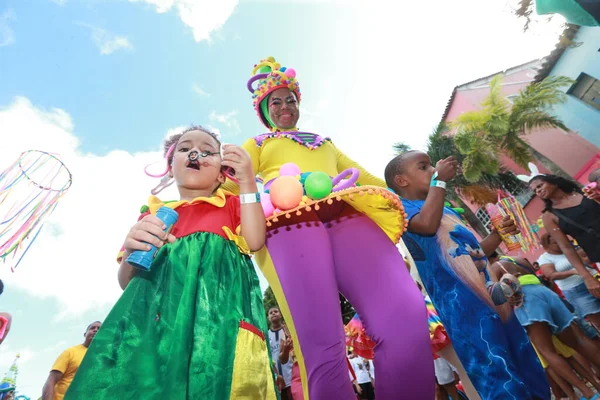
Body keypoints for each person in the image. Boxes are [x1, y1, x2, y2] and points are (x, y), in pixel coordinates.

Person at [222, 57, 433, 399]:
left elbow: (371, 181)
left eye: (290, 99)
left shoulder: (325, 143)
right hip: (288, 222)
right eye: (275, 101)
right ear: (264, 110)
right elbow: (228, 185)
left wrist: (422, 192)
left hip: (347, 215)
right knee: (321, 344)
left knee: (406, 316)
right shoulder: (258, 144)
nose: (285, 106)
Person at [64, 126, 276, 399]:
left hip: (220, 329)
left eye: (208, 150)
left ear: (222, 172)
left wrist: (247, 181)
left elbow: (256, 239)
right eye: (185, 148)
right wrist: (132, 249)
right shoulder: (152, 217)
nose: (195, 153)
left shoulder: (232, 205)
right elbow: (127, 282)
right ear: (171, 167)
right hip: (157, 330)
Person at [384, 150, 550, 399]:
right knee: (498, 376)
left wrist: (497, 234)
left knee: (527, 365)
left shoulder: (447, 211)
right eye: (424, 167)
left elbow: (473, 254)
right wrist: (439, 180)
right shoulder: (400, 211)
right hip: (466, 311)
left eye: (432, 167)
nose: (432, 170)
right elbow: (427, 227)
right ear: (402, 181)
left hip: (495, 302)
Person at [490, 256, 600, 400]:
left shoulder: (493, 268)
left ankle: (587, 393)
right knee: (578, 340)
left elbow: (498, 298)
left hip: (526, 300)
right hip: (544, 292)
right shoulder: (517, 259)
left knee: (547, 351)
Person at [529, 174, 600, 297]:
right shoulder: (549, 216)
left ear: (554, 182)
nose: (538, 191)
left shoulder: (585, 193)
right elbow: (567, 248)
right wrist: (586, 276)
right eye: (535, 190)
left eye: (540, 186)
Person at [538, 233, 600, 328]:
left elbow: (589, 259)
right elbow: (551, 275)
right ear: (547, 245)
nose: (559, 243)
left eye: (560, 240)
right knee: (596, 317)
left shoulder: (571, 248)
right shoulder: (545, 258)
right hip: (577, 291)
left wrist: (582, 255)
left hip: (595, 280)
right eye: (555, 243)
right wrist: (573, 272)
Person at [42, 321, 101, 400]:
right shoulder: (70, 352)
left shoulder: (103, 359)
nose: (95, 330)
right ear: (85, 334)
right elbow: (51, 380)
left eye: (99, 329)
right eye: (92, 328)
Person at [267, 307, 293, 399]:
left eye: (276, 311)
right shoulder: (267, 335)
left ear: (280, 315)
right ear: (268, 318)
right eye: (270, 313)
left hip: (291, 377)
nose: (273, 313)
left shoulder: (288, 330)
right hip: (277, 380)